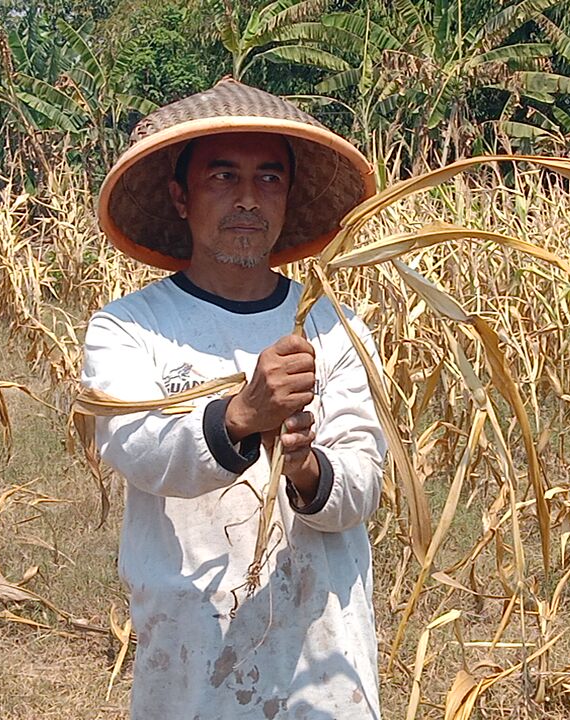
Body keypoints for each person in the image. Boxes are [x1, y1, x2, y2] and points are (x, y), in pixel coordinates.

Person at [81, 78, 386, 719]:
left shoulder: (334, 327)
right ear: (180, 196)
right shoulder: (128, 328)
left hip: (323, 664)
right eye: (223, 176)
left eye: (269, 178)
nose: (248, 198)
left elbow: (362, 483)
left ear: (287, 196)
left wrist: (303, 464)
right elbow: (137, 449)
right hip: (191, 660)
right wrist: (243, 417)